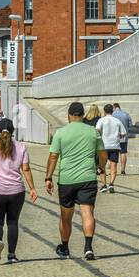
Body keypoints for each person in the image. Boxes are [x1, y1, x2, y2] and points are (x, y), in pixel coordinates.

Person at [44, 101, 107, 261]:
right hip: (88, 178)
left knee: (66, 216)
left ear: (69, 115)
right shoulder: (92, 132)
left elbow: (53, 157)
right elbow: (103, 155)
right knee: (87, 212)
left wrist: (48, 177)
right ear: (83, 115)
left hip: (67, 180)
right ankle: (88, 247)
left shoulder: (60, 133)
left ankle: (65, 247)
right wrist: (100, 167)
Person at [0, 118, 37, 264]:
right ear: (13, 131)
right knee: (13, 222)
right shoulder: (21, 147)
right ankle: (11, 254)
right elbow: (26, 169)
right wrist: (32, 188)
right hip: (16, 192)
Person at [95, 103, 127, 193]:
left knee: (102, 166)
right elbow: (124, 133)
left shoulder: (101, 120)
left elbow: (97, 130)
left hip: (103, 146)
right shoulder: (117, 121)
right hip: (115, 146)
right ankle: (111, 184)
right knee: (113, 166)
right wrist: (118, 137)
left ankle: (104, 185)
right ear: (112, 111)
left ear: (104, 111)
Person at [112, 103, 134, 175]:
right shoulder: (126, 114)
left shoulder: (112, 115)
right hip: (124, 137)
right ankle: (123, 170)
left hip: (113, 138)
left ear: (114, 107)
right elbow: (130, 125)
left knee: (112, 154)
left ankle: (112, 170)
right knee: (123, 153)